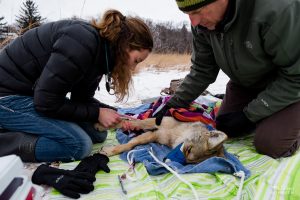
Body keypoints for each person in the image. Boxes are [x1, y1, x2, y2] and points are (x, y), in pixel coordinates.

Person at [0, 9, 153, 162]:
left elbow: (81, 99)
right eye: (136, 60)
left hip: (34, 96)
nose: (133, 68)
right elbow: (46, 102)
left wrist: (117, 115)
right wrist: (97, 113)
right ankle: (6, 142)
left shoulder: (102, 54)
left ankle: (32, 128)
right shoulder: (81, 43)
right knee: (78, 145)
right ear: (125, 46)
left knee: (97, 134)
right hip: (8, 97)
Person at [154, 0, 300, 159]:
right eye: (188, 14)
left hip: (289, 84)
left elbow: (296, 76)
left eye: (198, 11)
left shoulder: (278, 10)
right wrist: (174, 103)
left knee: (270, 144)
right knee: (223, 129)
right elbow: (203, 69)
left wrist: (250, 115)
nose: (194, 22)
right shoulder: (202, 24)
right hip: (246, 83)